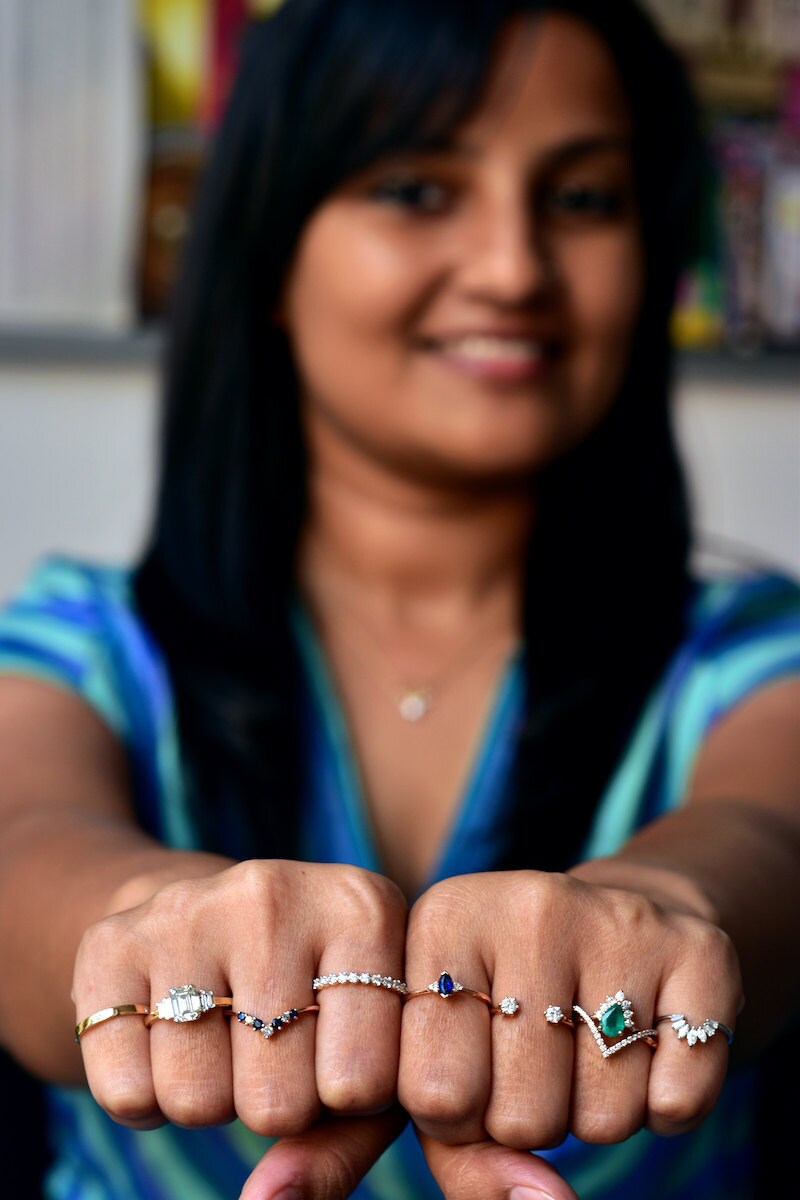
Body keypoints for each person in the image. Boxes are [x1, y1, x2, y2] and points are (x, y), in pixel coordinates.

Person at [0, 1, 798, 1197]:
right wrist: (153, 919)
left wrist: (661, 909)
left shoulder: (748, 653)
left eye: (580, 200)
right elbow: (25, 856)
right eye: (419, 191)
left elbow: (765, 839)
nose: (512, 268)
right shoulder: (81, 646)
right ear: (269, 251)